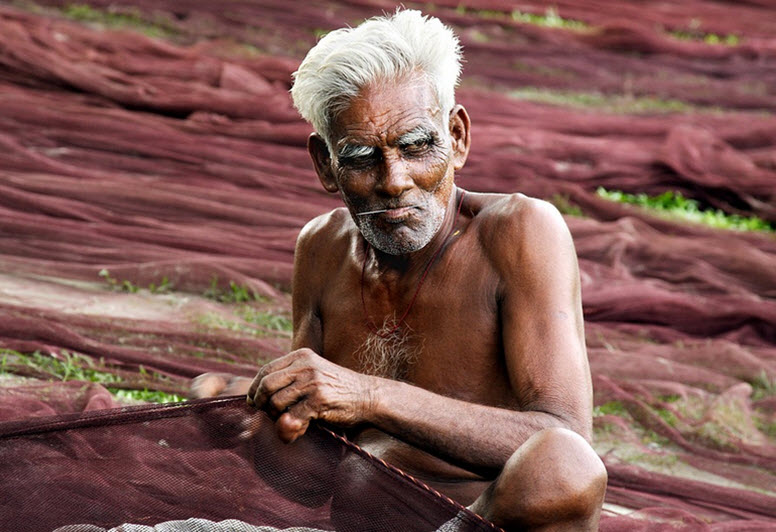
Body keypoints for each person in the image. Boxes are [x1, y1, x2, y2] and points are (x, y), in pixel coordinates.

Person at [193, 9, 607, 531]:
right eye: (363, 156)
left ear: (455, 137)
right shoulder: (322, 247)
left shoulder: (519, 231)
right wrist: (260, 427)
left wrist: (369, 395)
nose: (394, 181)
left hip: (482, 524)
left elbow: (566, 438)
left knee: (563, 464)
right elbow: (311, 475)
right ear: (325, 164)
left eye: (416, 146)